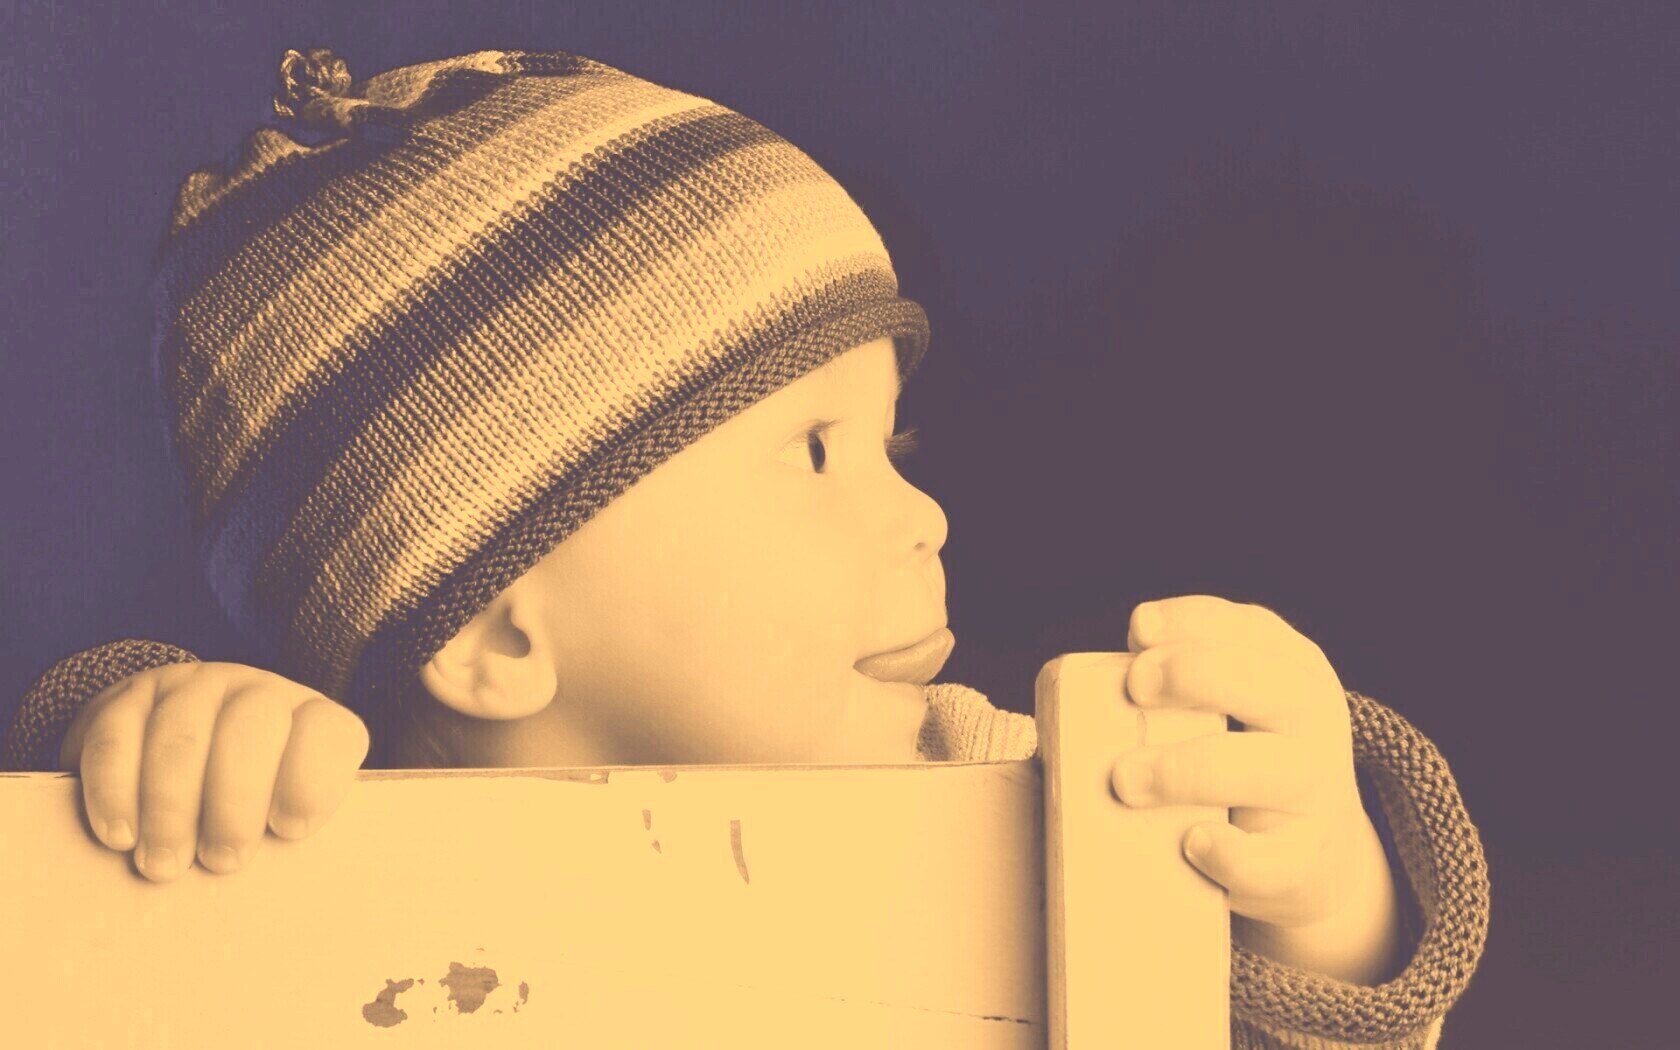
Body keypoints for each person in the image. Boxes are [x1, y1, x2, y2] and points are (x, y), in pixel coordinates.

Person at [1, 45, 1487, 1048]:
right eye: (816, 452)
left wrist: (1314, 902)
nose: (926, 515)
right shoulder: (316, 841)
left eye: (894, 445)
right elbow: (95, 935)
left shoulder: (1005, 789)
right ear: (498, 631)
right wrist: (140, 736)